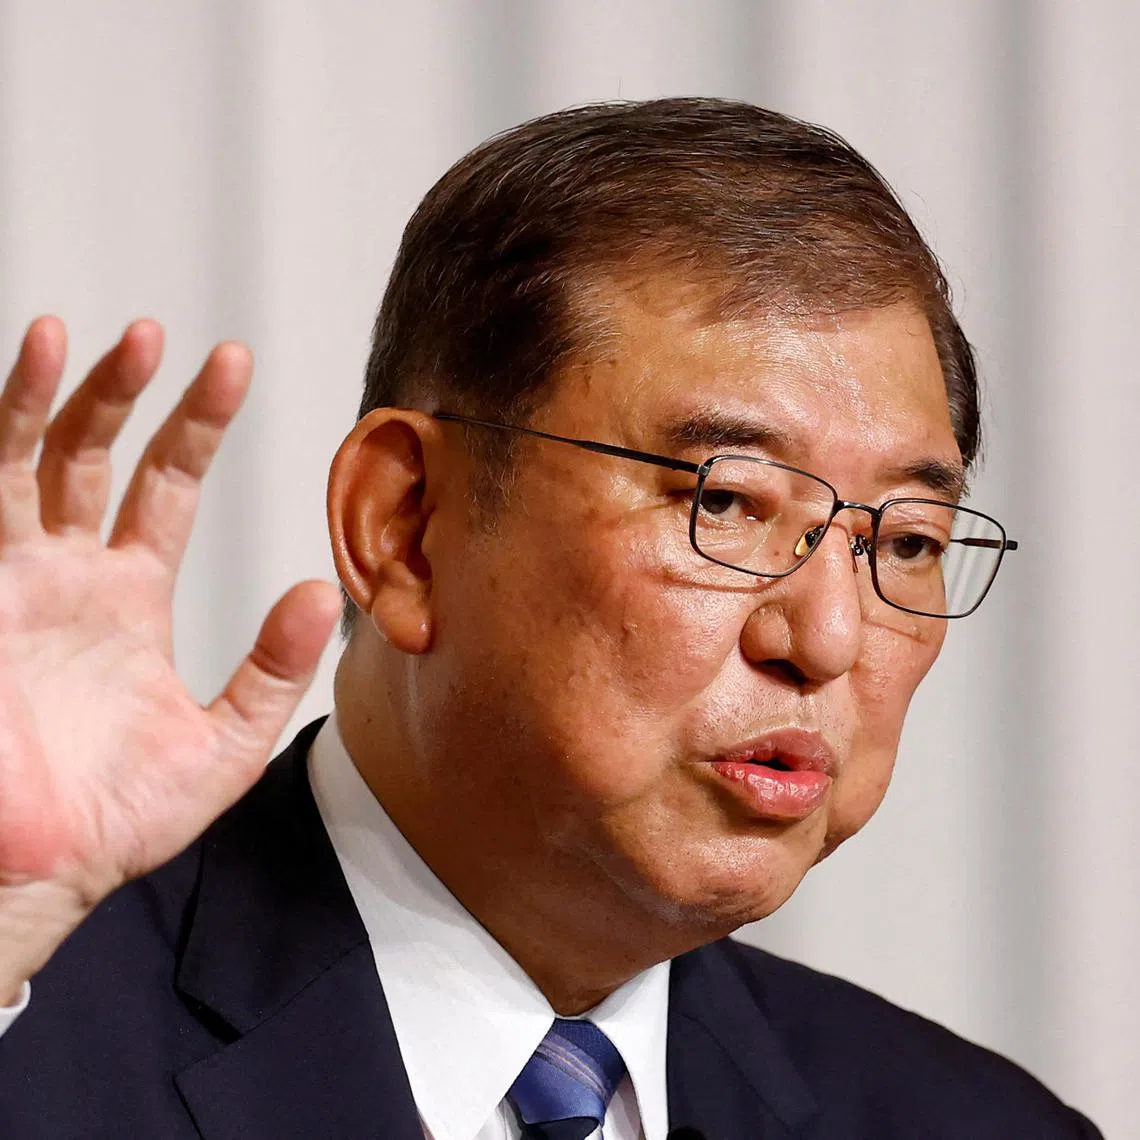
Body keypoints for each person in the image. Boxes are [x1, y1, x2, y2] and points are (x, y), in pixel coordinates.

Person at [0, 98, 1100, 1139]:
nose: (826, 640)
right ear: (405, 526)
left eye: (903, 541)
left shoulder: (970, 1123)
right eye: (726, 502)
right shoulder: (31, 1021)